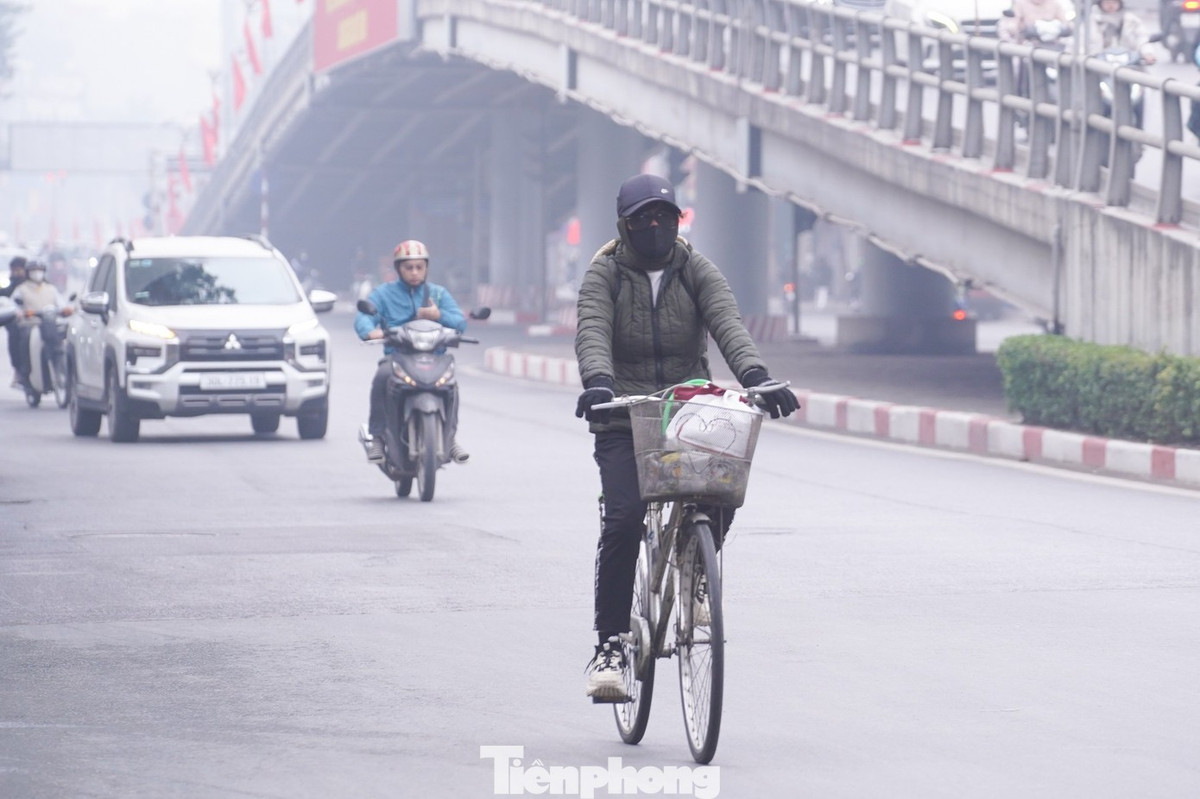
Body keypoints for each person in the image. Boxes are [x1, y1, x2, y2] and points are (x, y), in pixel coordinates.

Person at [573, 173, 799, 701]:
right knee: (625, 520)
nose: (655, 227)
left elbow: (728, 323)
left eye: (665, 217)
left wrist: (757, 377)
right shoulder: (603, 274)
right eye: (643, 219)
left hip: (685, 408)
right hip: (621, 414)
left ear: (678, 221)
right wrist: (598, 382)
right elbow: (592, 329)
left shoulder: (696, 267)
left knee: (723, 480)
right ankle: (609, 646)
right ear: (624, 226)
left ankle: (698, 569)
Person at [354, 239, 470, 464]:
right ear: (399, 269)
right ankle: (377, 436)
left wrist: (440, 316)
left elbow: (460, 322)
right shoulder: (384, 294)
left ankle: (450, 437)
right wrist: (370, 332)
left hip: (434, 357)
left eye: (420, 267)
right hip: (398, 356)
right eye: (409, 268)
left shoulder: (437, 294)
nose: (415, 273)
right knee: (382, 376)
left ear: (426, 268)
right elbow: (365, 316)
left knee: (451, 385)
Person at [11, 259, 72, 391]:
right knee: (25, 341)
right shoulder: (21, 289)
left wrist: (66, 310)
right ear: (28, 273)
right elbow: (15, 307)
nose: (37, 273)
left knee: (63, 340)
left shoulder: (51, 289)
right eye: (34, 271)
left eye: (39, 270)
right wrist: (21, 313)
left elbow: (62, 305)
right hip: (30, 325)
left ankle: (61, 364)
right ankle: (25, 373)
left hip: (48, 324)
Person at [1080, 0, 1157, 62]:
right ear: (1100, 3)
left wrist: (1147, 53)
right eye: (1107, 2)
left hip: (1128, 62)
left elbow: (1142, 38)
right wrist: (1082, 55)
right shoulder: (1090, 21)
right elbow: (1080, 40)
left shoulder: (1130, 20)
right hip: (1098, 62)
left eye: (1114, 2)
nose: (1111, 5)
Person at [2, 256, 28, 388]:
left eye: (19, 270)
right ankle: (19, 370)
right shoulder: (12, 287)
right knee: (15, 337)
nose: (17, 273)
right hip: (19, 322)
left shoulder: (38, 285)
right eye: (14, 270)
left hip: (37, 320)